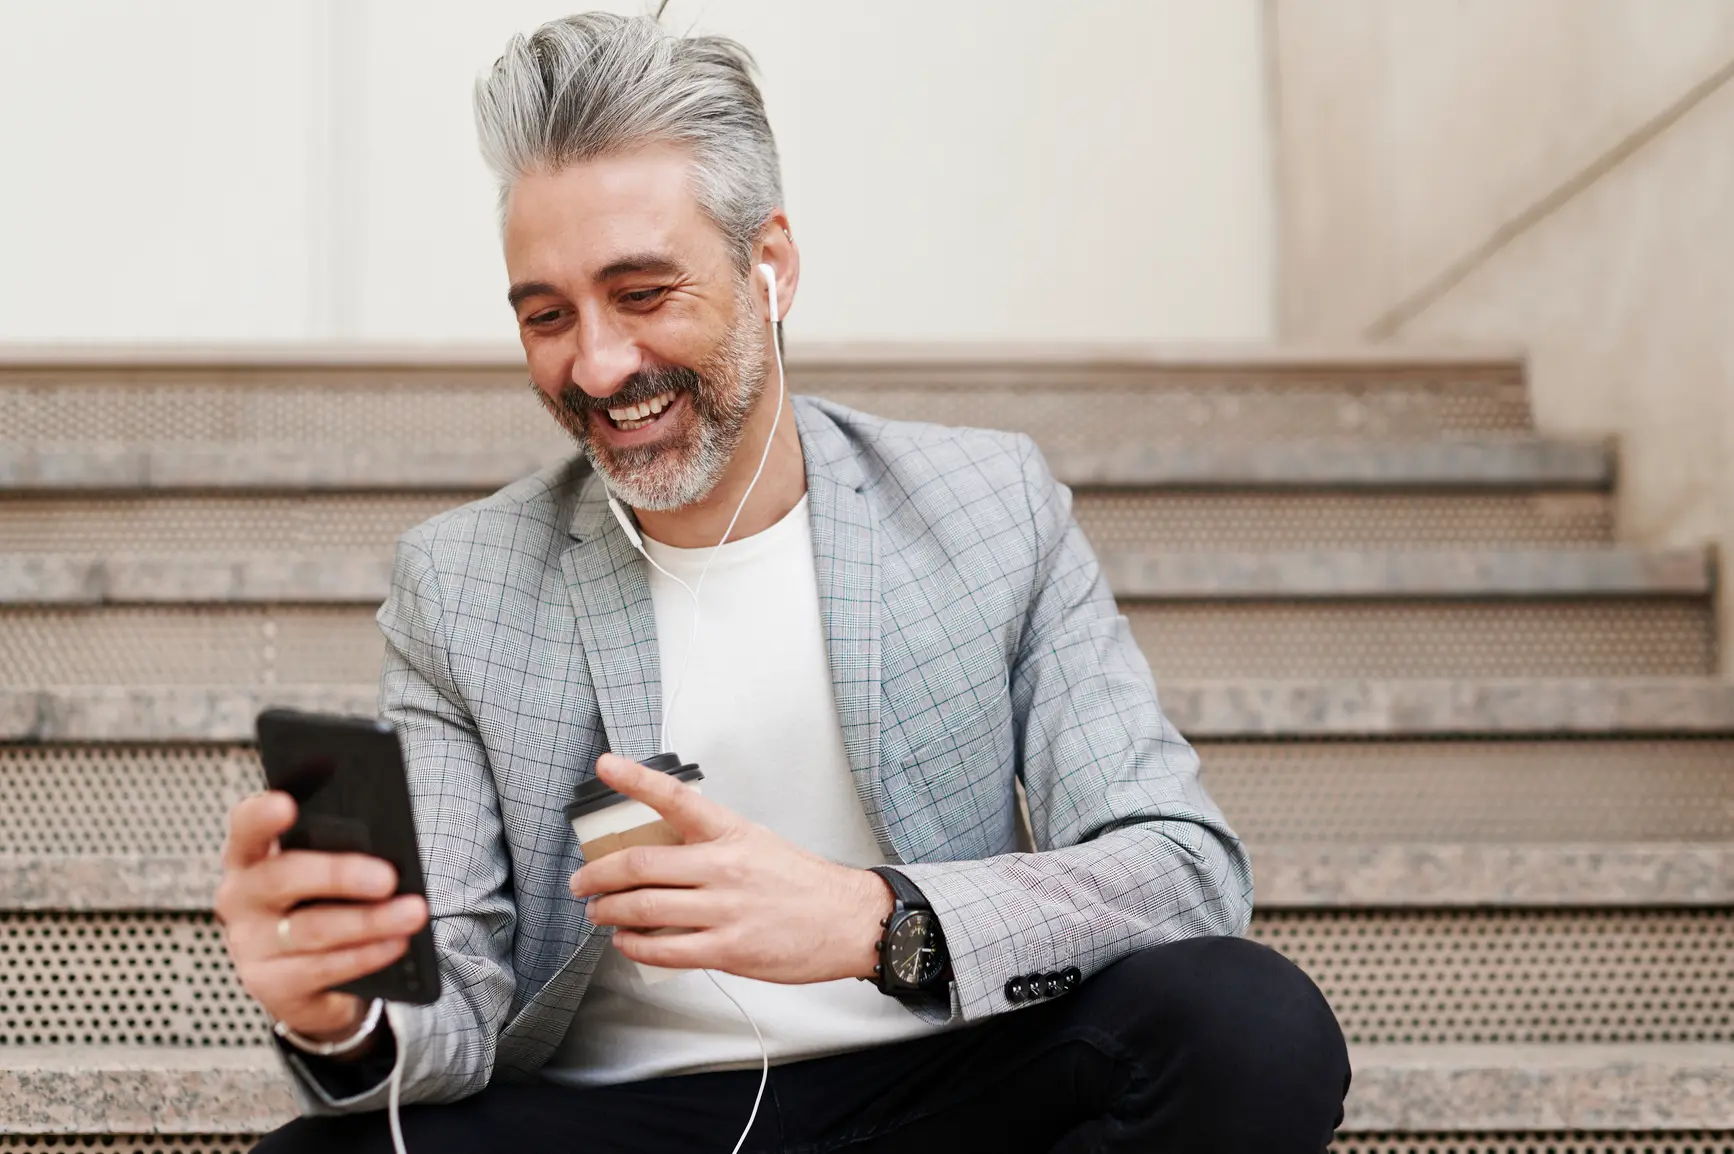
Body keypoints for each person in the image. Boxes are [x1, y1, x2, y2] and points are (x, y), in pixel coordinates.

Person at [220, 13, 1349, 1152]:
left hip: (939, 1091)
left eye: (645, 292)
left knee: (1249, 1023)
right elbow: (451, 998)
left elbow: (1181, 867)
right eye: (548, 315)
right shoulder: (460, 584)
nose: (598, 364)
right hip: (623, 1121)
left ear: (771, 268)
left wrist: (878, 918)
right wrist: (346, 1011)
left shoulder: (989, 505)